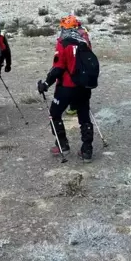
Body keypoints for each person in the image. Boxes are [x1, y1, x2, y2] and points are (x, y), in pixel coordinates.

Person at [38, 24, 98, 163]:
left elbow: (58, 67)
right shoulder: (84, 41)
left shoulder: (63, 43)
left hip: (66, 87)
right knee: (84, 116)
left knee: (54, 114)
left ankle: (62, 145)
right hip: (83, 86)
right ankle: (87, 149)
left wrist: (46, 83)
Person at [57, 15, 90, 116]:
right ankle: (82, 106)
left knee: (70, 81)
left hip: (72, 63)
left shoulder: (67, 38)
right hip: (84, 63)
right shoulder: (83, 32)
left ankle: (73, 106)